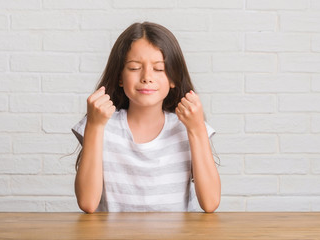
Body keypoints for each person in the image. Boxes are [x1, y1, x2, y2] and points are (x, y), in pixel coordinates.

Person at [72, 22, 220, 213]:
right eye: (134, 68)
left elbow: (210, 203)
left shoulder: (188, 126)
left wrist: (196, 129)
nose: (147, 77)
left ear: (173, 78)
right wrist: (94, 126)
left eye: (158, 69)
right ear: (119, 77)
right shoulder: (101, 124)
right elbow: (87, 203)